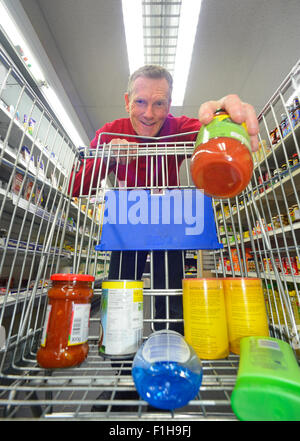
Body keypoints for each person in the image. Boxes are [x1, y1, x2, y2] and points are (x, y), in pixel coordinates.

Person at [70, 64, 259, 412]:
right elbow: (76, 186)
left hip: (169, 225)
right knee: (120, 303)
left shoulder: (180, 128)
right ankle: (122, 380)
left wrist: (225, 116)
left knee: (170, 302)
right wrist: (106, 157)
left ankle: (165, 371)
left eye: (160, 104)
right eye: (140, 102)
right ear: (127, 100)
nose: (149, 113)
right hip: (126, 224)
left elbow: (213, 129)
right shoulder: (110, 132)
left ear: (170, 104)